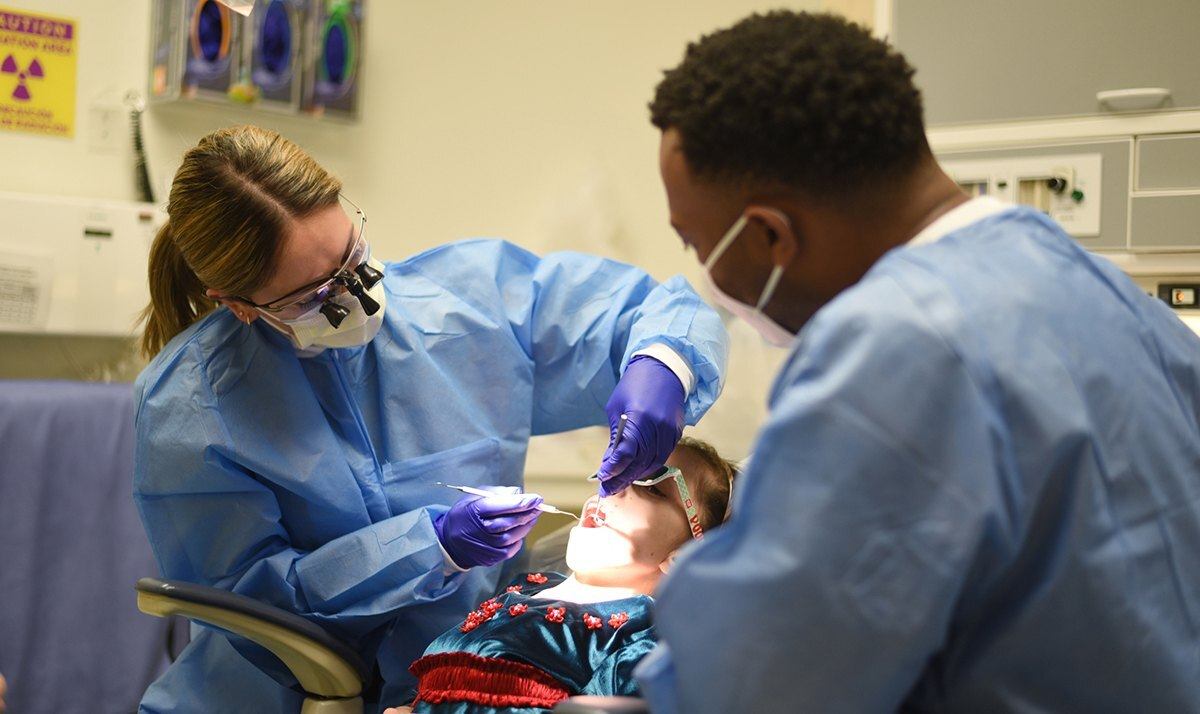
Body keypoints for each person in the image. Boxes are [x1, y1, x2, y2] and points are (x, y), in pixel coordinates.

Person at [629, 10, 1200, 713]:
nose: (708, 280)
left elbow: (757, 680)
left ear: (771, 234)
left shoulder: (893, 349)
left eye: (696, 243)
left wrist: (699, 578)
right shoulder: (1111, 293)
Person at [132, 125, 728, 713]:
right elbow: (255, 606)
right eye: (315, 296)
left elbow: (646, 311)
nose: (359, 297)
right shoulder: (193, 410)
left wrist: (664, 363)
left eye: (353, 259)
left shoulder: (471, 303)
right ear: (236, 302)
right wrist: (429, 548)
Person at [381, 437, 737, 714]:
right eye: (620, 470)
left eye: (654, 487)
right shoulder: (525, 586)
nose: (615, 486)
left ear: (687, 557)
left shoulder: (644, 636)